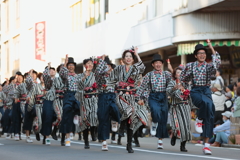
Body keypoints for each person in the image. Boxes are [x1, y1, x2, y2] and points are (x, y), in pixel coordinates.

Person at [180, 41, 221, 155]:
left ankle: (206, 146)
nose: (202, 55)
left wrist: (211, 47)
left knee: (210, 112)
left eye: (204, 53)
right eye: (199, 53)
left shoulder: (209, 66)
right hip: (195, 91)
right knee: (206, 103)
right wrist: (184, 89)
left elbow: (217, 62)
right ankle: (199, 118)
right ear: (195, 55)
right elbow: (182, 78)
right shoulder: (190, 66)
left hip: (206, 90)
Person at [106, 47, 146, 153]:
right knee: (130, 110)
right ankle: (121, 125)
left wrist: (137, 54)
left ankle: (129, 145)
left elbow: (142, 67)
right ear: (123, 59)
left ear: (133, 59)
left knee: (131, 122)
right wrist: (111, 89)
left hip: (131, 96)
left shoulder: (135, 69)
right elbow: (110, 80)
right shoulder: (118, 69)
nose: (128, 58)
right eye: (126, 56)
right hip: (120, 95)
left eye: (130, 56)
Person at [135, 53, 172, 149]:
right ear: (153, 64)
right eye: (156, 63)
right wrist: (138, 98)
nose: (158, 64)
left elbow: (171, 84)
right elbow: (142, 87)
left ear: (162, 64)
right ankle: (154, 122)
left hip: (163, 96)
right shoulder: (148, 75)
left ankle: (160, 140)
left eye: (160, 62)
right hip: (153, 96)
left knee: (163, 118)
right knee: (155, 111)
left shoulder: (166, 74)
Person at [95, 56, 121, 151]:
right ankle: (104, 141)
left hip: (113, 96)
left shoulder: (115, 75)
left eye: (108, 65)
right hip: (103, 96)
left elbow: (119, 86)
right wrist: (101, 61)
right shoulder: (100, 77)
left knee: (116, 109)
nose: (107, 67)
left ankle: (114, 120)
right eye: (105, 65)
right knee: (103, 118)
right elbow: (97, 72)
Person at [75, 57, 99, 149]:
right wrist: (84, 77)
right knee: (85, 119)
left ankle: (93, 131)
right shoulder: (79, 76)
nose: (90, 65)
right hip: (84, 100)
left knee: (94, 116)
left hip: (94, 99)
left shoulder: (96, 75)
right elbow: (78, 87)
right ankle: (86, 141)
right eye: (88, 63)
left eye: (91, 64)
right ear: (85, 65)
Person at [167, 66, 192, 152]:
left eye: (181, 73)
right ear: (175, 74)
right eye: (178, 73)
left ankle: (183, 145)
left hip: (185, 106)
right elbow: (167, 91)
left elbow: (190, 95)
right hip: (176, 107)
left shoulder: (187, 83)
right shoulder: (172, 82)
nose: (180, 74)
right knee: (178, 125)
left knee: (186, 126)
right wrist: (175, 88)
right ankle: (174, 134)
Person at [59, 55, 80, 147]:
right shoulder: (65, 76)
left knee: (79, 108)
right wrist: (65, 63)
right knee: (66, 116)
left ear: (74, 66)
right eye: (69, 65)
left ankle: (76, 114)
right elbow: (61, 73)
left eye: (72, 65)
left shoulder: (78, 76)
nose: (71, 66)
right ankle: (66, 137)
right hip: (68, 95)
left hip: (76, 95)